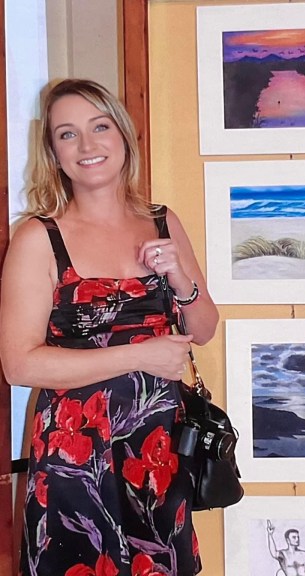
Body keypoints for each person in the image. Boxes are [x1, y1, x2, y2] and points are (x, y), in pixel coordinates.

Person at [0, 78, 219, 575]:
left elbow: (203, 327)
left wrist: (178, 275)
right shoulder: (38, 237)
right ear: (53, 153)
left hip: (157, 448)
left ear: (123, 136)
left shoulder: (162, 221)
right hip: (75, 455)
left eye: (99, 127)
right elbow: (18, 364)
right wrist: (138, 355)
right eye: (68, 134)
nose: (88, 145)